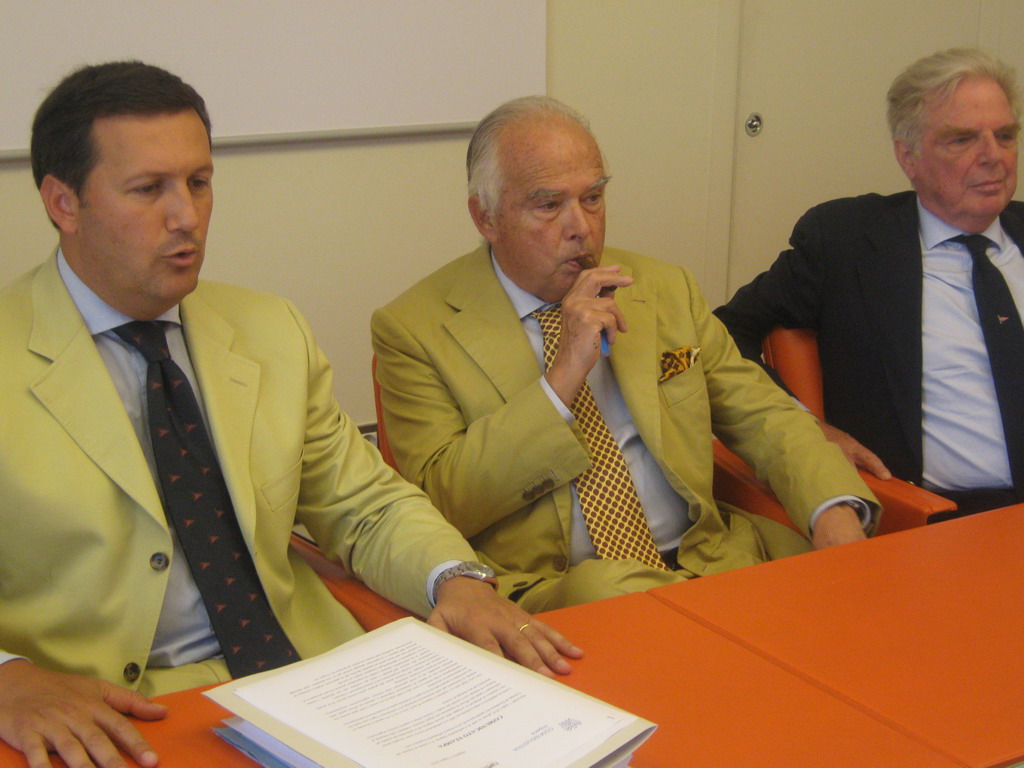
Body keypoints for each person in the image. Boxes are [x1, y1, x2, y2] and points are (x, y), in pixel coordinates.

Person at [0, 62, 581, 768]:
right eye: (148, 189)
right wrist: (7, 678)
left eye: (199, 182)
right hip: (112, 713)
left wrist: (455, 578)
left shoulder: (268, 328)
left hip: (312, 676)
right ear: (63, 202)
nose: (186, 216)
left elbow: (364, 504)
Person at [371, 95, 878, 614]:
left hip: (709, 560)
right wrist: (562, 378)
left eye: (593, 198)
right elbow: (444, 501)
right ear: (486, 217)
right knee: (616, 595)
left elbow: (762, 414)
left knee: (855, 598)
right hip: (558, 586)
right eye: (549, 206)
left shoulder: (663, 287)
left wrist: (832, 509)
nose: (581, 227)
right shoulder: (414, 329)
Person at [714, 48, 1024, 515]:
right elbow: (722, 335)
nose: (994, 157)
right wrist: (805, 428)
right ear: (908, 157)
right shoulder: (846, 241)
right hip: (938, 516)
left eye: (1005, 136)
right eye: (962, 140)